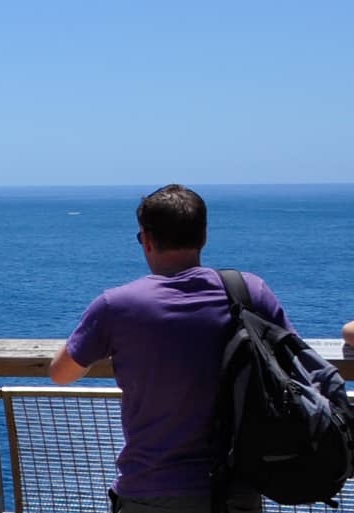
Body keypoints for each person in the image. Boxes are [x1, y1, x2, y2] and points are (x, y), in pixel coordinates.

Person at [49, 184, 297, 513]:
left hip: (150, 491)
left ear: (147, 240)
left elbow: (61, 373)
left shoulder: (117, 306)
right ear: (203, 236)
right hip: (236, 488)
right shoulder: (249, 291)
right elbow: (293, 364)